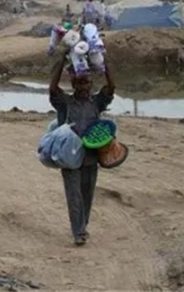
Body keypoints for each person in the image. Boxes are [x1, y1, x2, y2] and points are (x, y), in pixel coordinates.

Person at [48, 54, 115, 246]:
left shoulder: (96, 103)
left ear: (91, 84)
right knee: (74, 194)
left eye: (86, 83)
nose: (83, 87)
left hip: (91, 156)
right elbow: (53, 89)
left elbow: (111, 89)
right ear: (74, 85)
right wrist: (60, 62)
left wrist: (105, 64)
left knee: (87, 194)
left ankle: (82, 226)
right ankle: (78, 232)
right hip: (69, 157)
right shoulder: (65, 104)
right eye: (79, 83)